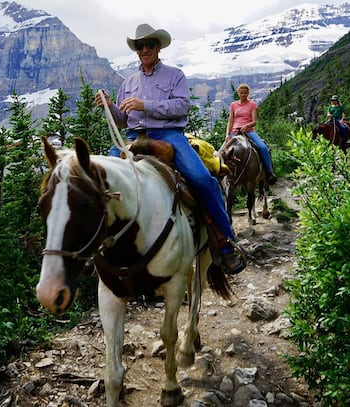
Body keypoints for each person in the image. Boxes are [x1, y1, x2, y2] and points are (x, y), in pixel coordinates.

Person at [95, 23, 245, 275]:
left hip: (169, 135)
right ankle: (99, 250)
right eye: (140, 46)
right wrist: (110, 106)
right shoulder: (128, 83)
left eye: (149, 45)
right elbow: (122, 119)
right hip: (132, 136)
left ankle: (226, 242)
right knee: (99, 180)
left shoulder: (175, 76)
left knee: (201, 179)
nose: (144, 49)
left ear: (158, 47)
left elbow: (181, 107)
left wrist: (146, 105)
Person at [225, 84, 277, 185]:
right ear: (238, 93)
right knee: (223, 151)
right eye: (241, 93)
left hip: (249, 131)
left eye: (245, 93)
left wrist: (247, 126)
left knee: (262, 147)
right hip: (235, 132)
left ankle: (269, 172)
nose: (243, 95)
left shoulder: (252, 104)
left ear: (248, 93)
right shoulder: (233, 105)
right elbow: (230, 121)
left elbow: (254, 121)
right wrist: (227, 134)